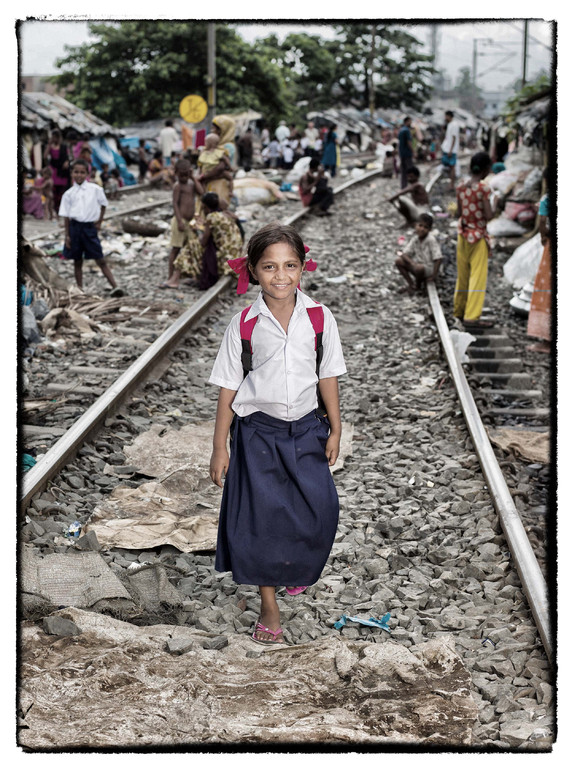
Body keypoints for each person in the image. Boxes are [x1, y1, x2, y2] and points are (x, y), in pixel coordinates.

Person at [208, 222, 346, 645]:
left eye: (289, 266)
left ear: (303, 268)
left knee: (322, 509)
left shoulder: (320, 319)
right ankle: (269, 609)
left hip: (306, 428)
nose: (280, 276)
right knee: (261, 522)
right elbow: (229, 386)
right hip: (257, 433)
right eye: (269, 267)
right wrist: (219, 446)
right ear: (252, 271)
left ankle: (297, 568)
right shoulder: (244, 324)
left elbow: (328, 376)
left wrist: (336, 428)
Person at [58, 159, 123, 295]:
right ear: (71, 173)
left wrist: (99, 222)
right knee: (77, 260)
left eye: (82, 172)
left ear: (87, 173)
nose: (79, 175)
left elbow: (104, 204)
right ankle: (80, 289)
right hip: (75, 228)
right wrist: (67, 236)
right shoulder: (68, 194)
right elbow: (66, 216)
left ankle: (115, 286)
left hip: (89, 228)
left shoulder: (95, 189)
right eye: (76, 172)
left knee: (99, 258)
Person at [454, 151, 498, 328]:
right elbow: (488, 215)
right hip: (478, 236)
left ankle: (459, 310)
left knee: (463, 275)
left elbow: (458, 213)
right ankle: (472, 316)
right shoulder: (484, 188)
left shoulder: (461, 187)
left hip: (463, 233)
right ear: (486, 169)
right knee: (477, 276)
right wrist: (496, 203)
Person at [159, 159, 204, 288]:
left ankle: (193, 275)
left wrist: (193, 178)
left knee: (193, 248)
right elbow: (175, 204)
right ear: (176, 173)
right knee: (176, 248)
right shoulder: (178, 186)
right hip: (180, 221)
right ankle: (171, 277)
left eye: (186, 175)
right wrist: (179, 220)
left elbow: (201, 193)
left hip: (190, 222)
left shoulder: (191, 183)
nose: (184, 178)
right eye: (181, 175)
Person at [526, 169, 551, 353]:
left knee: (546, 291)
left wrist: (543, 238)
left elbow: (543, 221)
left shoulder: (547, 199)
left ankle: (546, 341)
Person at [394, 213, 442, 294]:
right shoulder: (415, 239)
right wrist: (412, 263)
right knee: (399, 261)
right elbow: (405, 253)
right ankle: (411, 284)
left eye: (425, 227)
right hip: (418, 267)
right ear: (415, 225)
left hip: (429, 268)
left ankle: (418, 286)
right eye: (420, 225)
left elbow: (438, 258)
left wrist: (434, 275)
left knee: (419, 268)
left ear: (429, 230)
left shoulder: (430, 240)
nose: (422, 229)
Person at [198, 133, 233, 206]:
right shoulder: (206, 153)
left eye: (206, 142)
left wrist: (229, 167)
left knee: (230, 178)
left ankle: (230, 191)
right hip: (208, 175)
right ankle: (204, 197)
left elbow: (224, 162)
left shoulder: (218, 152)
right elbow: (200, 166)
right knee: (203, 183)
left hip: (216, 177)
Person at [44, 129, 71, 211]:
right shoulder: (50, 147)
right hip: (54, 171)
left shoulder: (64, 147)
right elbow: (45, 156)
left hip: (62, 172)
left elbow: (69, 157)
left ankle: (61, 208)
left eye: (57, 137)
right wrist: (49, 144)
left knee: (62, 190)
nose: (55, 139)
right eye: (54, 137)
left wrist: (67, 162)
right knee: (54, 190)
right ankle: (54, 208)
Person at [441, 110, 460, 189]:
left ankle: (452, 184)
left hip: (451, 150)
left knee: (452, 167)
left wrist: (451, 150)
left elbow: (454, 137)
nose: (445, 118)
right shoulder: (450, 124)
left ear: (449, 116)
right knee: (449, 166)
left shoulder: (454, 125)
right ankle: (451, 183)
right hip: (448, 148)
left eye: (446, 116)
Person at [398, 117, 414, 189]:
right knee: (410, 170)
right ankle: (412, 186)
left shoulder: (401, 130)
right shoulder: (407, 130)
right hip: (407, 153)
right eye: (410, 121)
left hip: (402, 153)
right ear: (406, 122)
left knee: (403, 171)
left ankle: (403, 187)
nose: (411, 123)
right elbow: (409, 142)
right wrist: (413, 151)